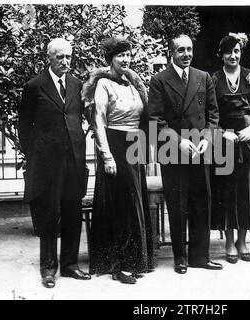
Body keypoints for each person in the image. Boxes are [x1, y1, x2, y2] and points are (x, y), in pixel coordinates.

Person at [18, 38, 91, 288]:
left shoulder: (76, 84)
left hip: (73, 159)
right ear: (48, 58)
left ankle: (70, 266)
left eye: (68, 56)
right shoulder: (35, 86)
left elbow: (80, 117)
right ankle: (48, 269)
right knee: (49, 215)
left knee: (72, 212)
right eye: (59, 57)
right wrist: (35, 153)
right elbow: (24, 126)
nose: (65, 61)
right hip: (47, 163)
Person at [81, 36, 154, 284]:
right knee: (121, 206)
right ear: (110, 59)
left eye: (128, 54)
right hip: (114, 145)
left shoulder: (133, 82)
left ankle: (137, 259)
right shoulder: (103, 84)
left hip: (134, 146)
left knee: (135, 203)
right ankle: (118, 265)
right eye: (121, 55)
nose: (126, 59)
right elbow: (99, 120)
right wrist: (107, 155)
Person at [148, 34, 222, 274]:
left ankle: (200, 256)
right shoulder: (159, 80)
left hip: (200, 150)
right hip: (173, 150)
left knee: (202, 202)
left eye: (189, 49)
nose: (187, 54)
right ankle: (180, 257)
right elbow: (155, 119)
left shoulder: (204, 77)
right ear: (172, 52)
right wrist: (178, 141)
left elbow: (213, 115)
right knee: (178, 203)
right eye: (181, 50)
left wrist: (208, 139)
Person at [210, 34, 250, 264]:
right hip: (226, 140)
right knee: (227, 190)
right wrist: (223, 133)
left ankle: (243, 241)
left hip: (247, 140)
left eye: (237, 51)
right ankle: (230, 242)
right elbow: (209, 114)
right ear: (221, 55)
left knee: (246, 190)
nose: (233, 56)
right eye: (228, 52)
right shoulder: (213, 79)